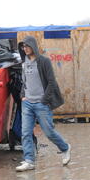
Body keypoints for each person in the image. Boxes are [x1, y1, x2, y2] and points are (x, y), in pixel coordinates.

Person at [15, 36, 71, 172]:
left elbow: (52, 82)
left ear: (33, 46)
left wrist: (44, 100)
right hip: (27, 103)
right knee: (26, 133)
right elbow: (24, 82)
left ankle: (65, 148)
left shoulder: (43, 62)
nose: (25, 49)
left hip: (41, 103)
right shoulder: (24, 62)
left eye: (27, 46)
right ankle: (29, 161)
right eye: (23, 47)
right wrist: (23, 96)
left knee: (49, 132)